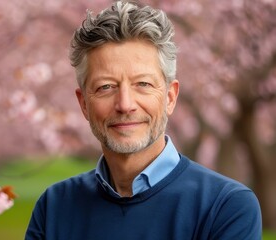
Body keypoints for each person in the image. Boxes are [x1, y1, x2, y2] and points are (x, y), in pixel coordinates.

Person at [25, 1, 262, 239]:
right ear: (84, 103)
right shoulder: (54, 207)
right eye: (106, 87)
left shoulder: (226, 207)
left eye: (143, 84)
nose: (125, 104)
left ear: (170, 97)